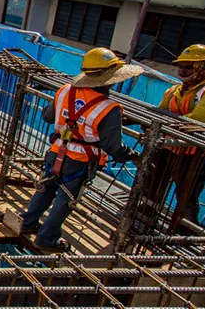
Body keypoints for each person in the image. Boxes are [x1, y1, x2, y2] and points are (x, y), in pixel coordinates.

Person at [20, 47, 141, 251]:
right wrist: (132, 155)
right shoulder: (108, 108)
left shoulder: (65, 90)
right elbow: (112, 146)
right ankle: (47, 238)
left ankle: (26, 223)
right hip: (79, 160)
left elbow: (48, 116)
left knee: (46, 188)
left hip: (56, 151)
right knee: (65, 198)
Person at [152, 44, 205, 225]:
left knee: (186, 200)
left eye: (188, 66)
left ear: (203, 67)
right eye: (181, 66)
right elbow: (159, 112)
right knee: (151, 189)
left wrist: (165, 123)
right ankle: (143, 221)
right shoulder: (174, 91)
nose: (182, 70)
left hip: (192, 157)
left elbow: (196, 119)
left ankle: (183, 233)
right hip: (166, 150)